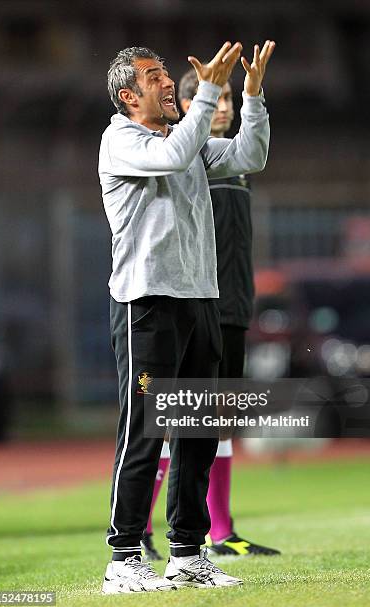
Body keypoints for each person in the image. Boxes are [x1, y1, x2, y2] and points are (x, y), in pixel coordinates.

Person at [99, 40, 275, 594]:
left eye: (167, 74)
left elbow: (250, 156)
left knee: (196, 434)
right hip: (146, 303)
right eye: (155, 78)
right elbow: (171, 156)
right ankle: (123, 558)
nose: (169, 82)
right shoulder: (120, 139)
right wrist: (208, 94)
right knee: (144, 432)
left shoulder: (189, 138)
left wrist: (250, 95)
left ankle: (187, 554)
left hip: (201, 300)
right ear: (129, 96)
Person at [141, 70, 280, 561]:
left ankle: (222, 531)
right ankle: (142, 527)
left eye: (227, 98)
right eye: (210, 97)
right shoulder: (188, 159)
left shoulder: (234, 160)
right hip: (200, 303)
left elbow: (252, 150)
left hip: (235, 304)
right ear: (184, 103)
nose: (221, 106)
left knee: (217, 421)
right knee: (179, 417)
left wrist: (254, 93)